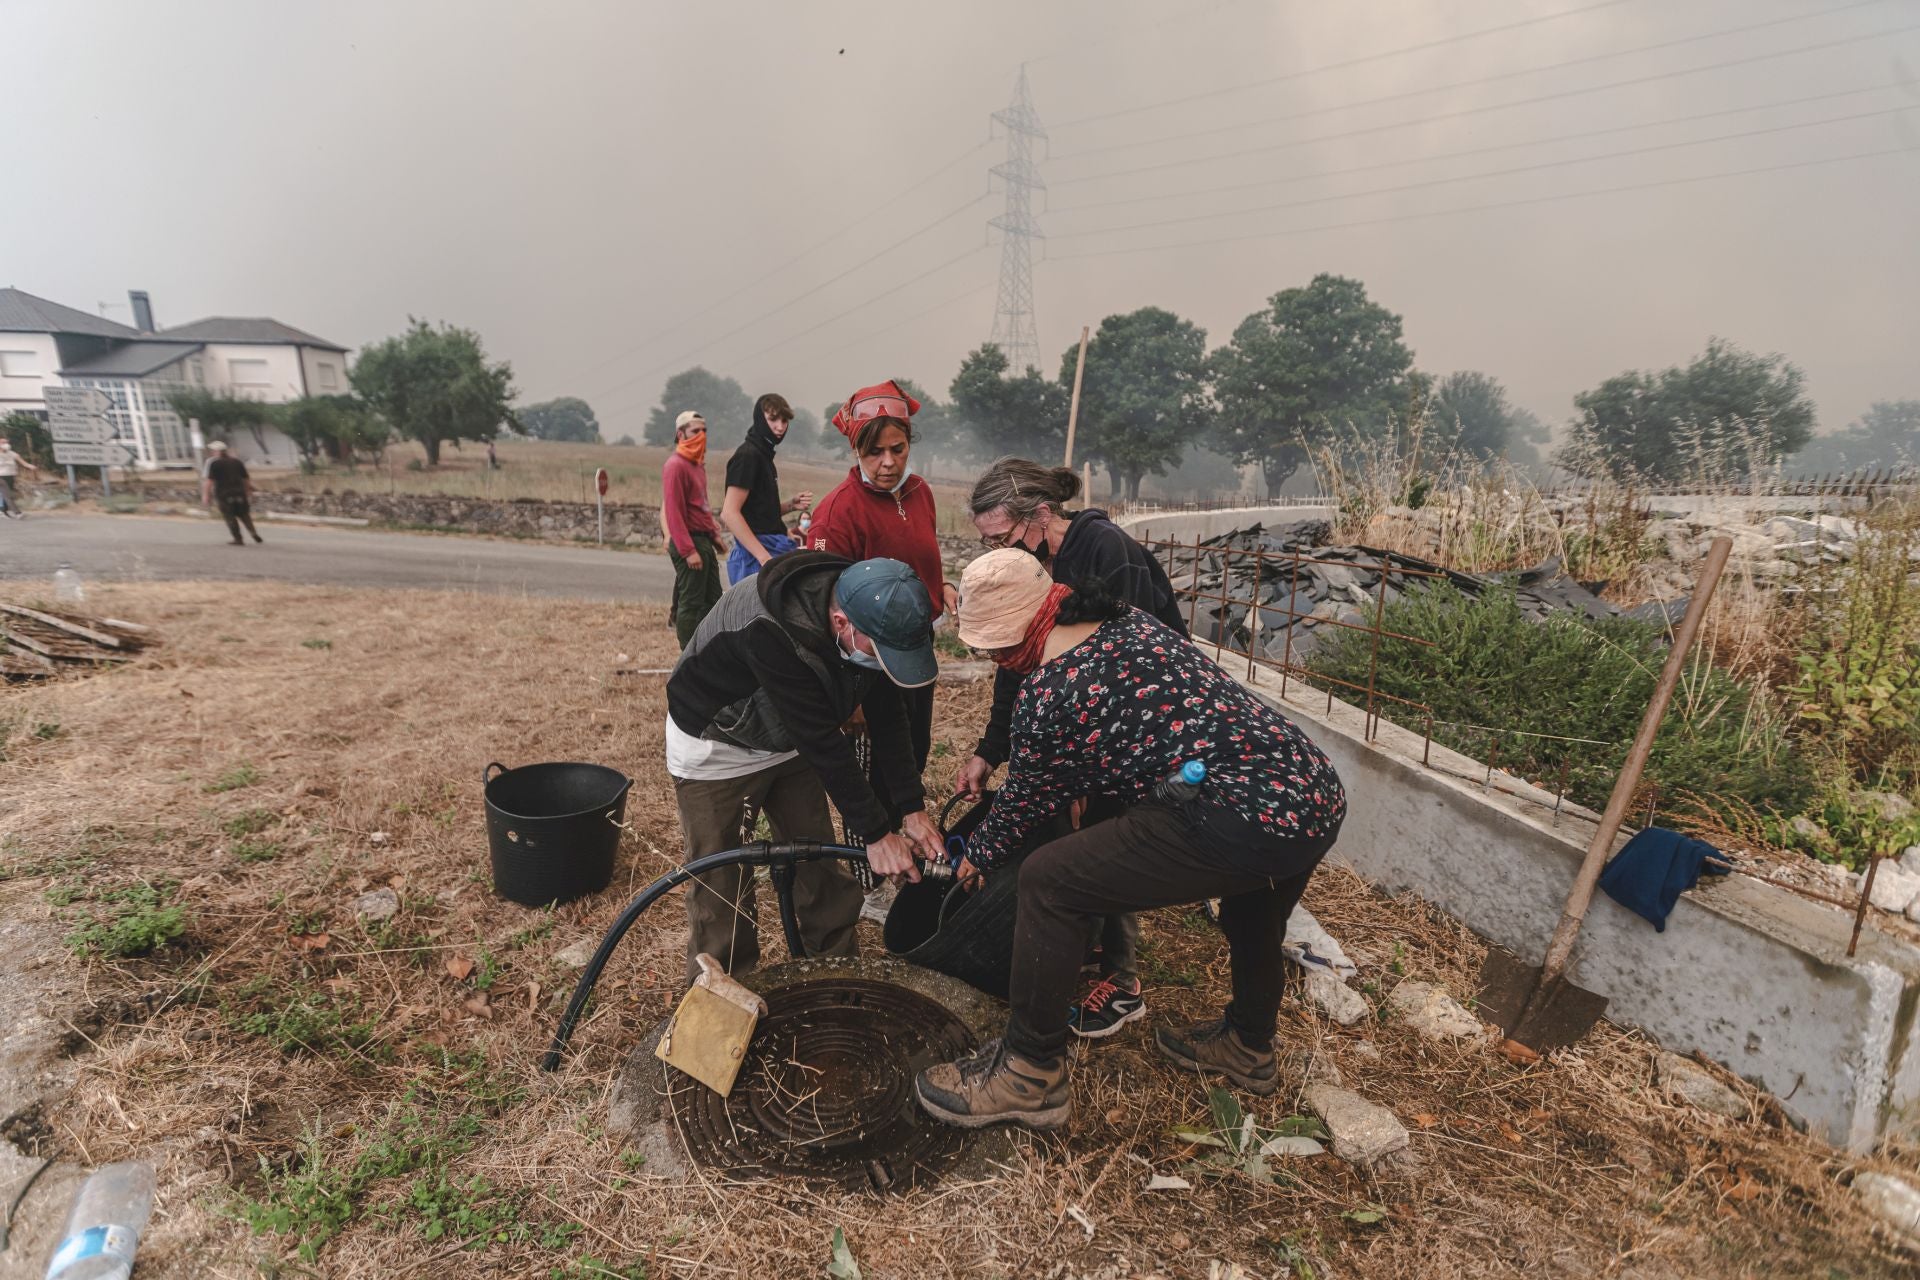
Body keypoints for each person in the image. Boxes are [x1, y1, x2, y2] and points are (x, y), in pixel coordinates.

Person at [914, 550, 1347, 1131]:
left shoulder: (1051, 692)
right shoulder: (1125, 621)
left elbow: (1022, 805)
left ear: (1014, 635)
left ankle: (1028, 1072)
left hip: (1238, 813)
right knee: (1254, 909)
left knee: (1050, 880)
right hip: (1307, 788)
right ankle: (1249, 1045)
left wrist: (979, 858)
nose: (993, 658)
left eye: (994, 646)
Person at [956, 457, 1192, 1038]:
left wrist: (1084, 777)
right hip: (1080, 727)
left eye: (1003, 538)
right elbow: (1018, 664)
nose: (998, 551)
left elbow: (1124, 676)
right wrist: (991, 748)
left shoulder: (1104, 551)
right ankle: (1080, 943)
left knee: (1110, 836)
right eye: (987, 544)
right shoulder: (1029, 567)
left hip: (1138, 728)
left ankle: (1122, 978)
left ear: (1039, 516)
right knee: (1065, 837)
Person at [665, 551, 947, 980]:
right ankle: (721, 996)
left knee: (817, 861)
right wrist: (876, 834)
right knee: (722, 885)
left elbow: (888, 715)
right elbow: (821, 740)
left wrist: (911, 807)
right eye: (881, 650)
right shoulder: (770, 629)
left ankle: (835, 969)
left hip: (789, 739)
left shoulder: (867, 607)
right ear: (841, 623)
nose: (885, 660)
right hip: (716, 745)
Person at [807, 381, 955, 813]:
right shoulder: (838, 512)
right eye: (875, 452)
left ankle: (904, 833)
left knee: (916, 747)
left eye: (899, 448)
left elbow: (923, 555)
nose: (888, 462)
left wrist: (940, 587)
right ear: (856, 450)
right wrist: (849, 695)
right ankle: (872, 859)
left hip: (916, 640)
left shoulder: (920, 492)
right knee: (878, 764)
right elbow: (822, 605)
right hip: (868, 657)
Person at [720, 393, 813, 584]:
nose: (780, 427)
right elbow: (729, 513)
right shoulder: (748, 456)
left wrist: (790, 506)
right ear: (760, 419)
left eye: (784, 420)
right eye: (773, 419)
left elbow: (757, 512)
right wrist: (764, 558)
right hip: (755, 556)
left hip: (772, 548)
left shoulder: (763, 455)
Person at [661, 410, 727, 647]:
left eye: (704, 431)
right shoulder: (675, 465)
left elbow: (702, 506)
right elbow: (674, 512)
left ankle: (707, 649)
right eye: (695, 431)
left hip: (703, 540)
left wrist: (714, 535)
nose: (701, 436)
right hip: (688, 541)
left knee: (713, 600)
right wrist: (689, 551)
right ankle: (687, 656)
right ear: (681, 434)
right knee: (691, 602)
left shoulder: (697, 465)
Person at [201, 441, 262, 545]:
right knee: (244, 515)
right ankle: (253, 533)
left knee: (230, 516)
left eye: (212, 451)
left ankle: (238, 538)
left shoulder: (214, 463)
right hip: (239, 492)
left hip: (223, 494)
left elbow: (209, 481)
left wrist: (206, 495)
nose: (211, 453)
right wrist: (248, 491)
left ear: (217, 452)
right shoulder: (237, 462)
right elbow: (246, 479)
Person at [0, 436, 41, 519]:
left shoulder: (12, 453)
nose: (6, 444)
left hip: (11, 476)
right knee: (8, 495)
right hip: (1, 477)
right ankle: (17, 513)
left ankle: (2, 511)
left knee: (6, 494)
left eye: (7, 442)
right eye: (3, 443)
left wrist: (31, 466)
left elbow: (23, 462)